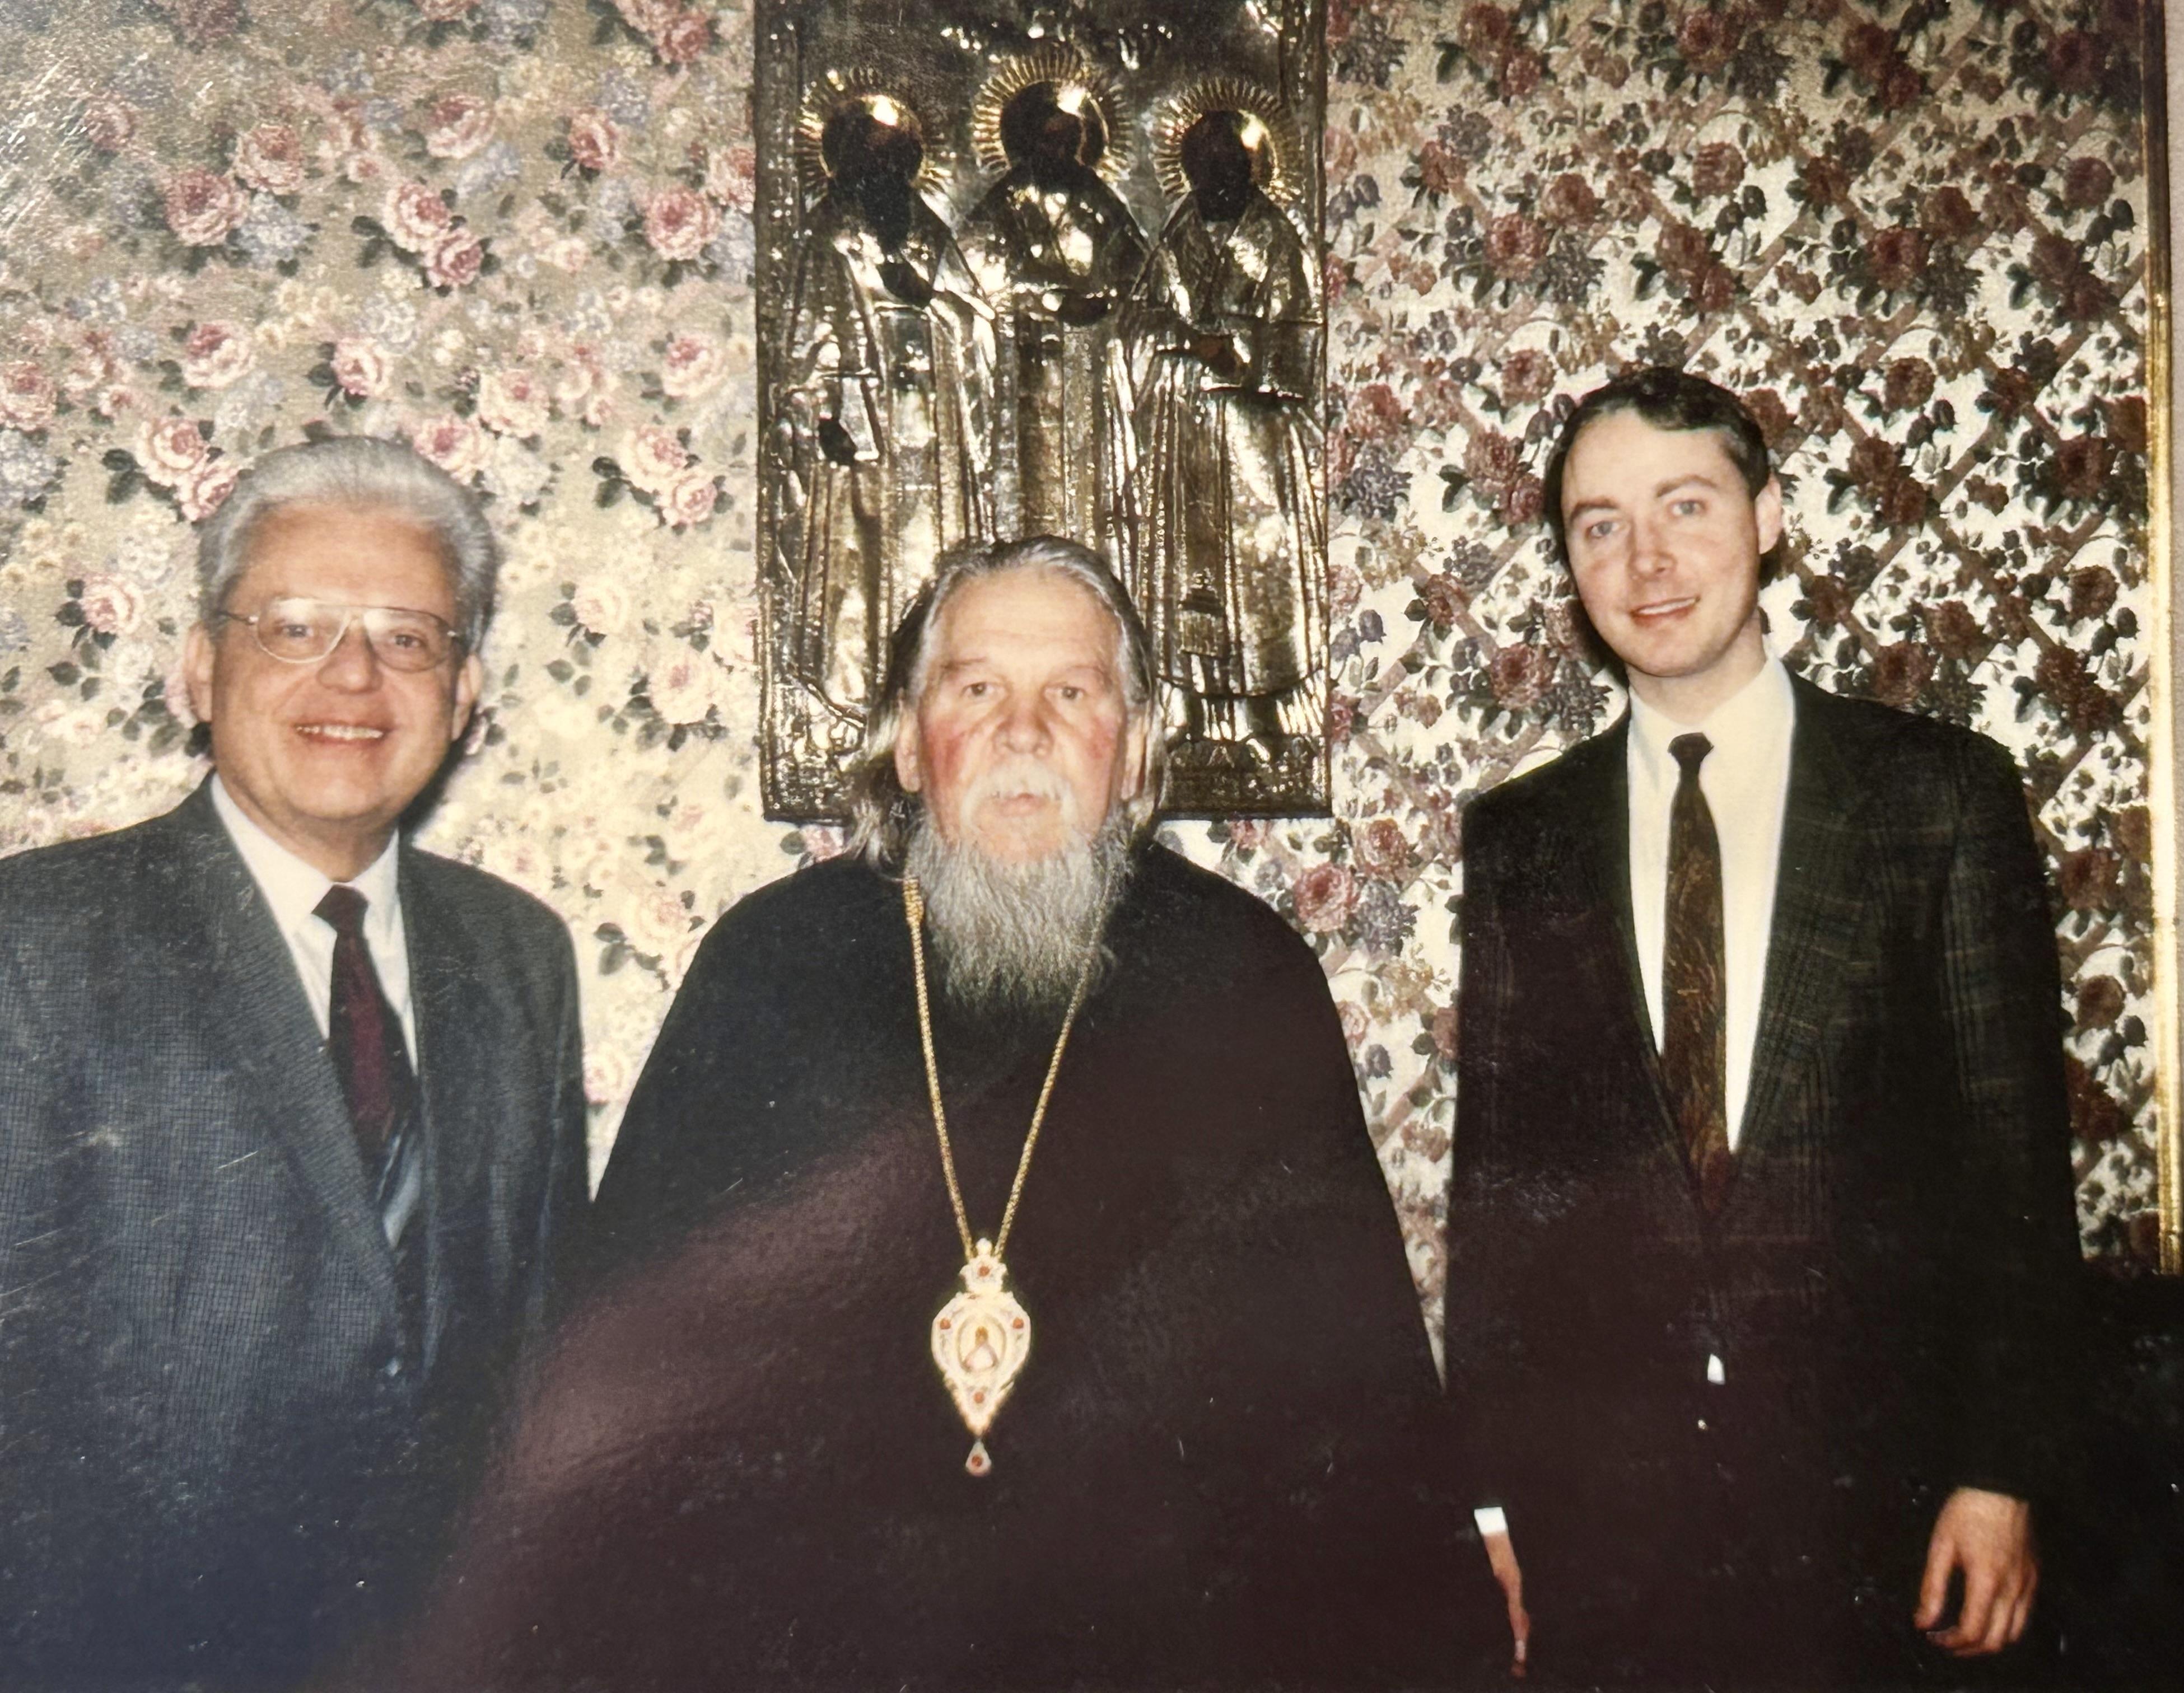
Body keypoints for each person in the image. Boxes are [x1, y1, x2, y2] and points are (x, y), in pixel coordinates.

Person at [399, 536, 1500, 1690]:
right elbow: (635, 1402)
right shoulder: (773, 964)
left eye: (1071, 694)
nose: (1023, 733)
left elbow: (1353, 1394)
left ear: (1133, 750)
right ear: (909, 745)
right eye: (976, 690)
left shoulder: (1242, 975)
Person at [1448, 368, 2081, 1685]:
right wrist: (1490, 1503)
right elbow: (1501, 1192)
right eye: (1602, 525)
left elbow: (2015, 1176)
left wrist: (2001, 1473)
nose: (1647, 560)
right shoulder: (1523, 839)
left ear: (1770, 515)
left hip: (1884, 1510)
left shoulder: (1939, 800)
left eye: (1686, 505)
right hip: (1606, 1524)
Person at [0, 436, 589, 1689]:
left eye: (406, 637)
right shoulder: (36, 944)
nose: (354, 676)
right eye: (295, 628)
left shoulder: (520, 956)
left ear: (465, 690)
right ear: (200, 669)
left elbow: (539, 1362)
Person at [778, 90, 995, 732]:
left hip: (933, 426)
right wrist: (821, 417)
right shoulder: (829, 232)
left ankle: (936, 702)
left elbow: (975, 316)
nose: (883, 170)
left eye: (893, 158)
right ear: (848, 163)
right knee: (862, 558)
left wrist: (929, 299)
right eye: (870, 158)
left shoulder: (926, 231)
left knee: (933, 556)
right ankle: (859, 702)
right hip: (862, 423)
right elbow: (805, 335)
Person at [1124, 104, 1324, 771]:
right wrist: (1182, 341)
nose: (1217, 178)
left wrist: (1237, 350)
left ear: (1249, 168)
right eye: (1204, 167)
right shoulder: (1177, 234)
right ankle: (1188, 703)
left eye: (1229, 165)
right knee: (1183, 566)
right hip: (1185, 425)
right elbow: (1141, 316)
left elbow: (1300, 329)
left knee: (1254, 564)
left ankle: (1263, 712)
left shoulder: (1275, 237)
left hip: (1250, 430)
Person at [958, 68, 1146, 554]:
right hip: (1025, 358)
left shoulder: (1098, 200)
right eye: (1049, 140)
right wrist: (1050, 299)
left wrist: (1106, 301)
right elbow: (974, 275)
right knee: (1029, 476)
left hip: (1091, 359)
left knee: (1091, 475)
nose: (1059, 152)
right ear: (1029, 142)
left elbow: (1139, 273)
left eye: (1069, 142)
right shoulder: (1006, 201)